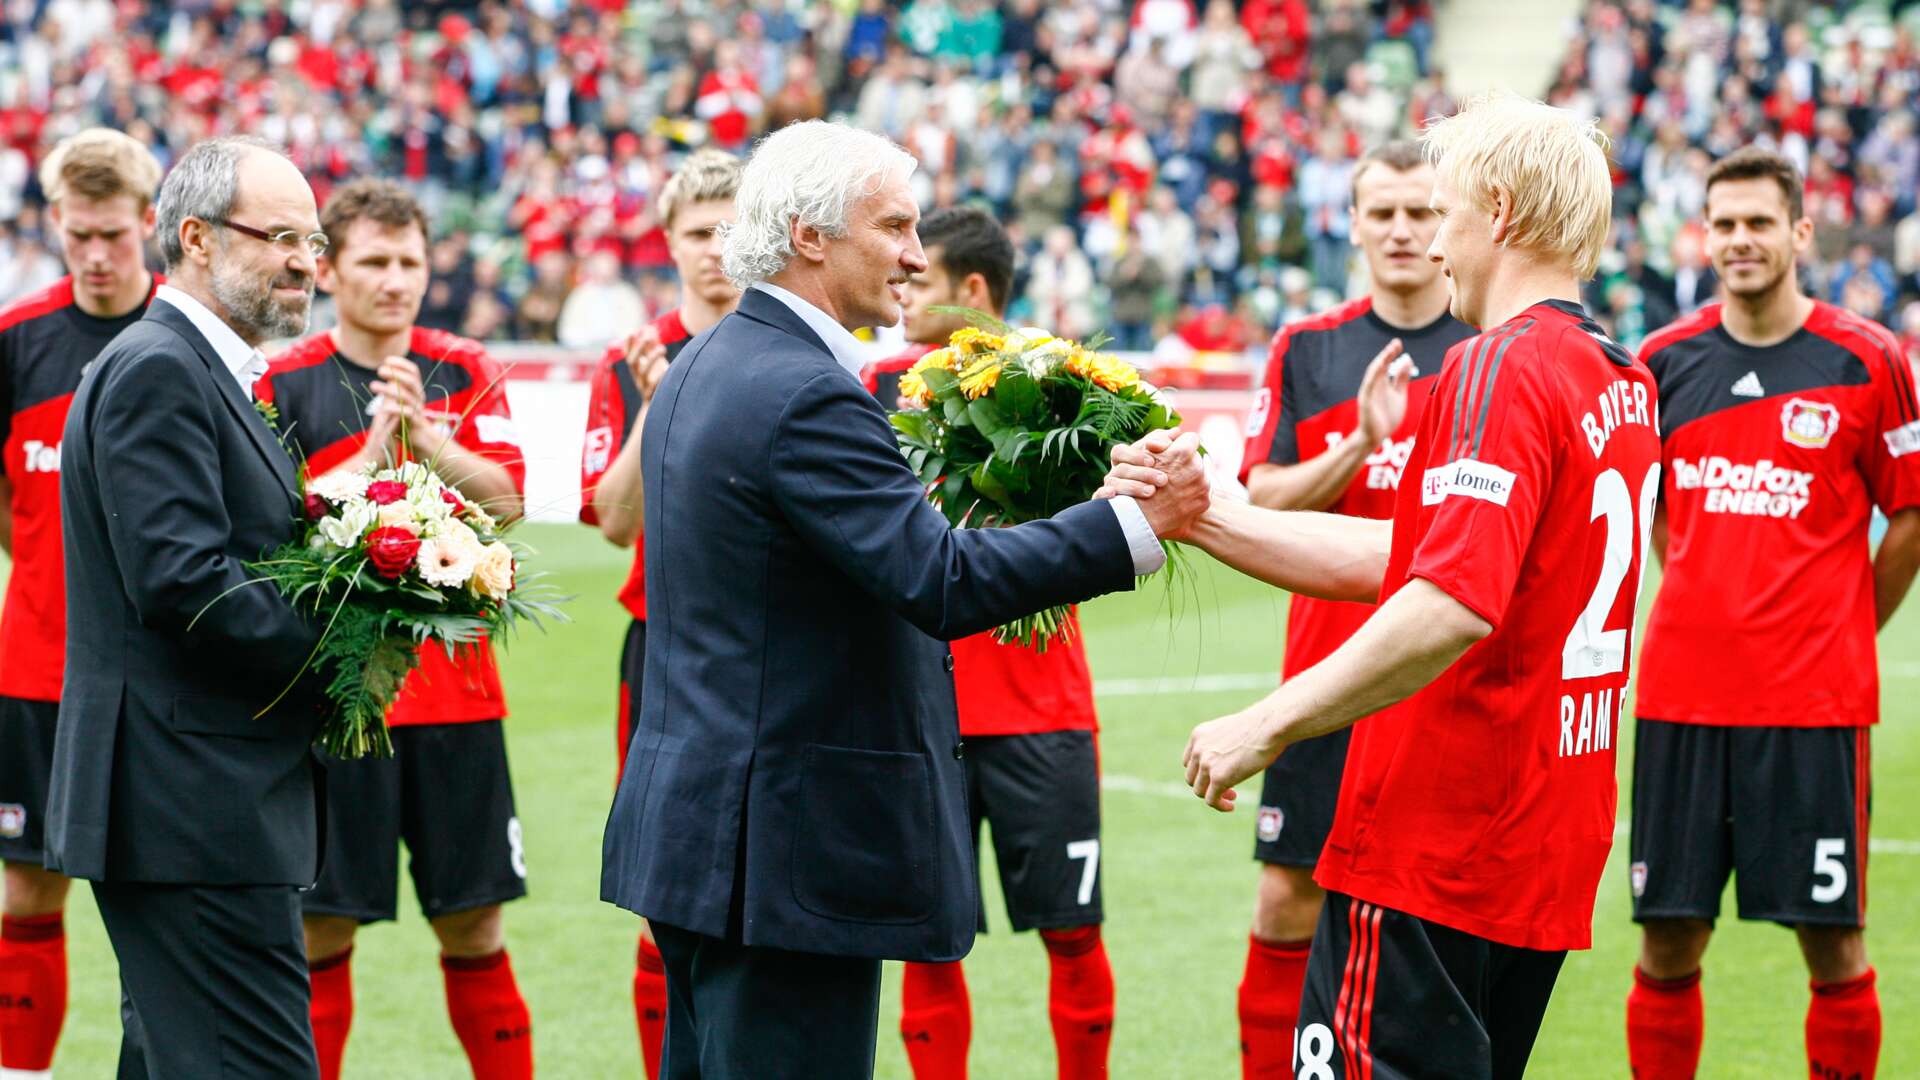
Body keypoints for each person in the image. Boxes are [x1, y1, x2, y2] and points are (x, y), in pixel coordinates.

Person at [597, 120, 1208, 1080]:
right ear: (810, 235)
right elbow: (941, 578)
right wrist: (1128, 523)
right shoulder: (804, 392)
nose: (918, 257)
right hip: (779, 858)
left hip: (706, 844)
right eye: (894, 227)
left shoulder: (704, 369)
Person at [1106, 94, 1659, 1076]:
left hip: (1437, 842)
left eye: (1441, 213)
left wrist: (1265, 722)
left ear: (1495, 209)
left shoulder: (1496, 367)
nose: (1434, 243)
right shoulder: (1618, 375)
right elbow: (1407, 560)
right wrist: (1207, 516)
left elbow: (1447, 602)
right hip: (1540, 844)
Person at [1623, 146, 1920, 1080]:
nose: (1740, 241)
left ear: (1800, 232)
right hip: (1680, 699)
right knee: (1666, 941)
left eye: (1759, 222)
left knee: (1832, 946)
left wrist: (1837, 626)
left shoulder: (1869, 360)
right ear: (1703, 236)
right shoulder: (1662, 364)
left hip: (1813, 706)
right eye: (1724, 224)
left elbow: (1909, 516)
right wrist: (1708, 586)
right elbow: (1659, 512)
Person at [49, 134, 328, 1077]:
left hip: (197, 804)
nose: (303, 261)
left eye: (314, 241)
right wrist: (342, 641)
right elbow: (182, 580)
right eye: (282, 236)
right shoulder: (161, 367)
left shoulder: (196, 366)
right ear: (198, 238)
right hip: (192, 808)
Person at [257, 178, 533, 1080]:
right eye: (375, 261)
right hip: (342, 702)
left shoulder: (462, 362)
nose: (395, 279)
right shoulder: (284, 382)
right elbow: (284, 534)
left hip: (458, 701)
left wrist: (431, 438)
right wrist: (377, 454)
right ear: (331, 270)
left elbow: (511, 504)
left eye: (410, 261)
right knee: (322, 928)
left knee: (475, 923)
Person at [1231, 139, 1477, 1079]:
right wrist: (1359, 448)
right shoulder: (1311, 348)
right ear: (1356, 223)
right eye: (1384, 213)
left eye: (1422, 211)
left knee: (1433, 915)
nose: (1404, 230)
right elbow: (1261, 499)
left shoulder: (1482, 348)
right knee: (1286, 902)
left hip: (1439, 682)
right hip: (1325, 684)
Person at [862, 206, 1115, 1080]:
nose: (899, 295)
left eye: (919, 282)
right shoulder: (872, 390)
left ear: (974, 292)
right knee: (928, 940)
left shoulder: (1066, 389)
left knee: (1073, 931)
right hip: (921, 707)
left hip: (1040, 706)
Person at [0, 126, 161, 1080]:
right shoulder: (18, 343)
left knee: (156, 899)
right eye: (77, 237)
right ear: (56, 225)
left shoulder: (181, 336)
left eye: (113, 235)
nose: (97, 257)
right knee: (28, 894)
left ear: (148, 223)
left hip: (150, 685)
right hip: (34, 671)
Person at [578, 147, 742, 1080]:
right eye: (696, 234)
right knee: (663, 886)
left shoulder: (800, 346)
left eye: (731, 231)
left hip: (770, 643)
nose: (716, 250)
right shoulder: (632, 360)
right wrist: (656, 402)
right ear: (666, 243)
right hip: (667, 649)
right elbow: (611, 522)